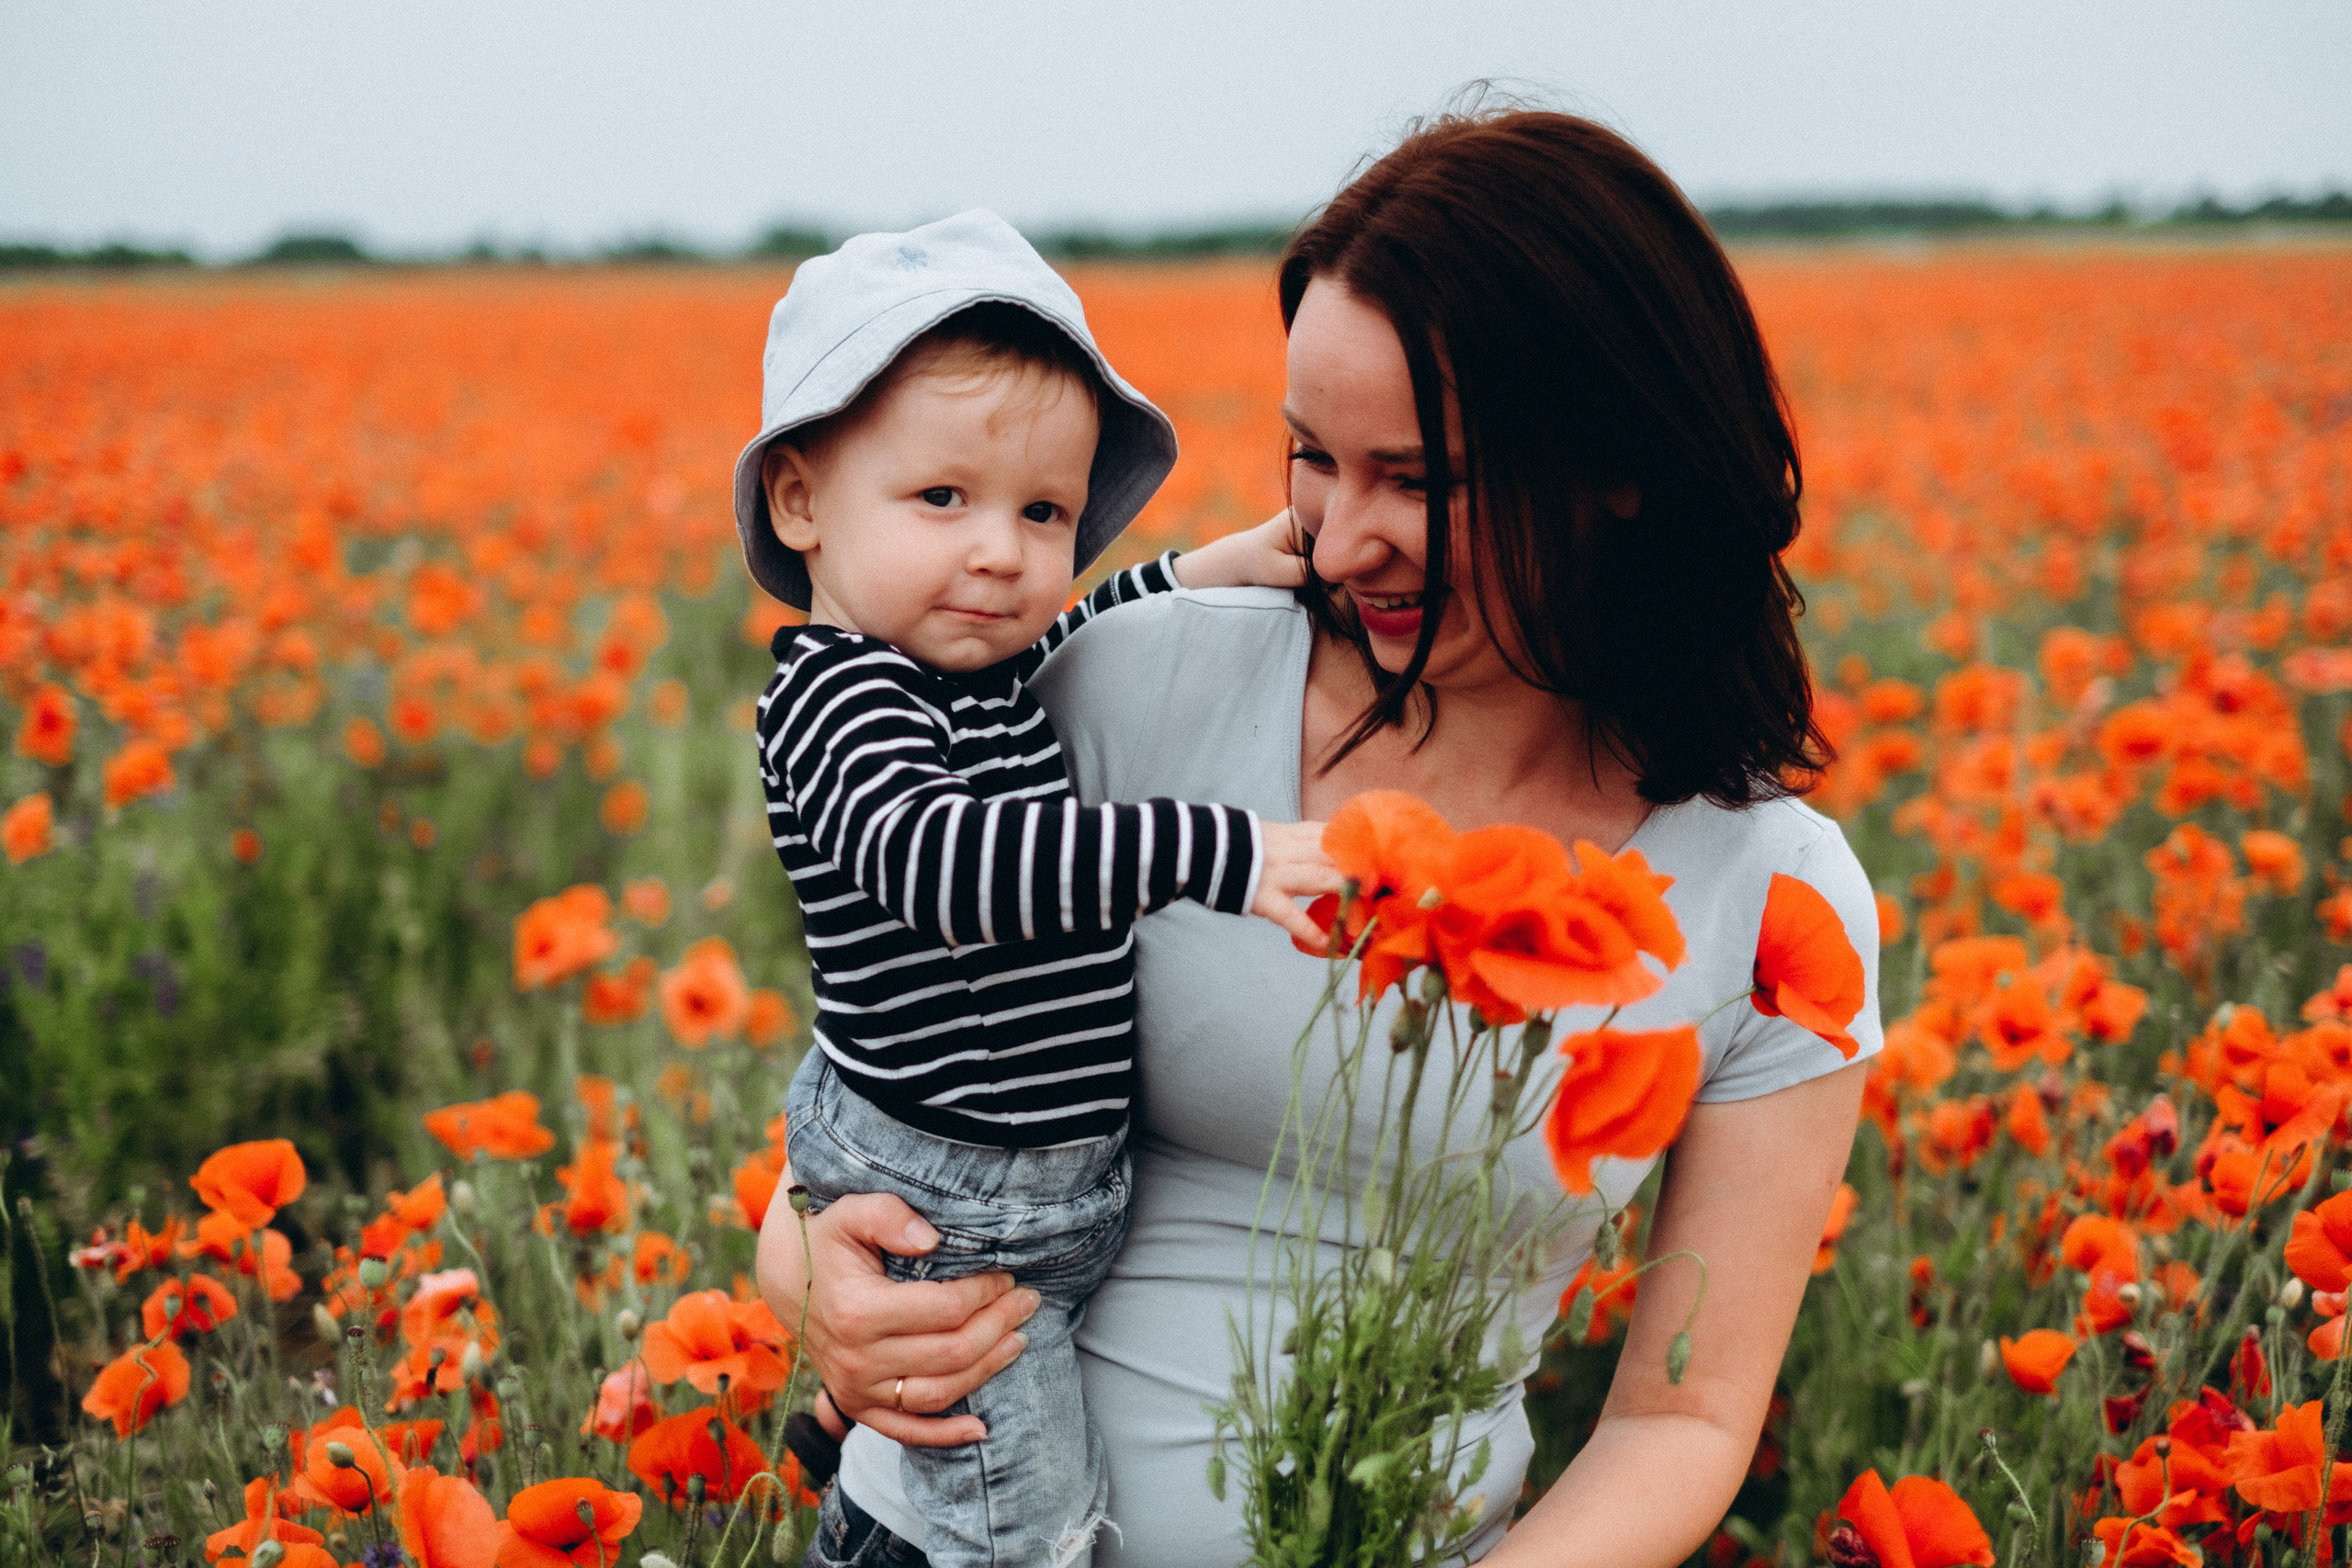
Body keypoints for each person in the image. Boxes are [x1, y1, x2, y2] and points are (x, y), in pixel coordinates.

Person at [760, 110, 1881, 1568]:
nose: (1343, 541)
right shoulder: (1132, 684)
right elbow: (885, 1073)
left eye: (1421, 481)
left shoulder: (1775, 898)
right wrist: (811, 1281)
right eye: (1312, 459)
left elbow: (1685, 1420)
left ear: (1622, 463)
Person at [732, 210, 1340, 1568]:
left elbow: (1064, 633)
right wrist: (1224, 854)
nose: (1003, 552)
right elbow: (944, 863)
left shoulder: (963, 667)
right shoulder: (838, 701)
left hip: (1026, 1184)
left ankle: (839, 1420)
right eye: (943, 500)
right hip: (959, 1214)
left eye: (1044, 512)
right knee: (1028, 1530)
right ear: (800, 501)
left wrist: (1194, 573)